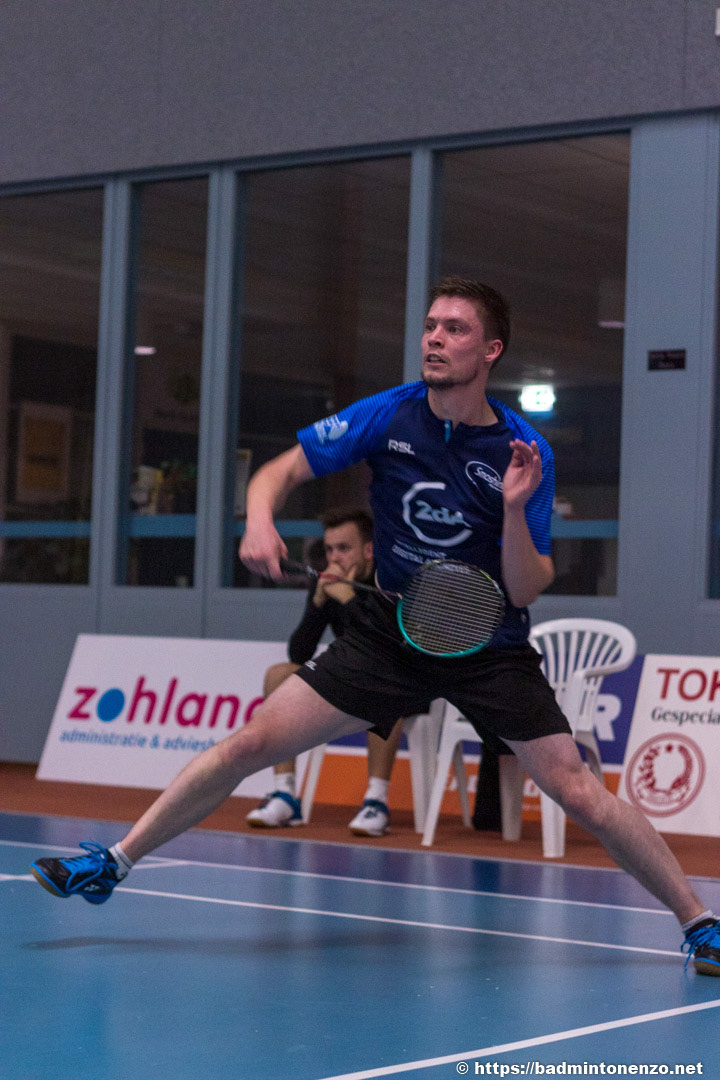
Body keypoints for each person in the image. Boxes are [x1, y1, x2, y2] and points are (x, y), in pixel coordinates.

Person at [30, 276, 719, 977]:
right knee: (252, 742)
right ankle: (114, 862)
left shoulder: (523, 450)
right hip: (390, 631)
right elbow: (279, 471)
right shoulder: (388, 415)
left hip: (488, 643)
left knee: (576, 789)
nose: (434, 339)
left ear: (490, 350)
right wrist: (259, 519)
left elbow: (525, 585)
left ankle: (700, 924)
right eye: (431, 325)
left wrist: (515, 507)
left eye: (454, 329)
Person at [246, 506, 405, 837]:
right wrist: (319, 601)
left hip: (399, 679)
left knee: (384, 682)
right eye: (329, 549)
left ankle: (376, 801)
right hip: (346, 677)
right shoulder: (328, 582)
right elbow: (299, 653)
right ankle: (285, 794)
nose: (334, 558)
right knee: (279, 674)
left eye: (343, 548)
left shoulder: (388, 580)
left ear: (369, 549)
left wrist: (348, 598)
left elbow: (387, 646)